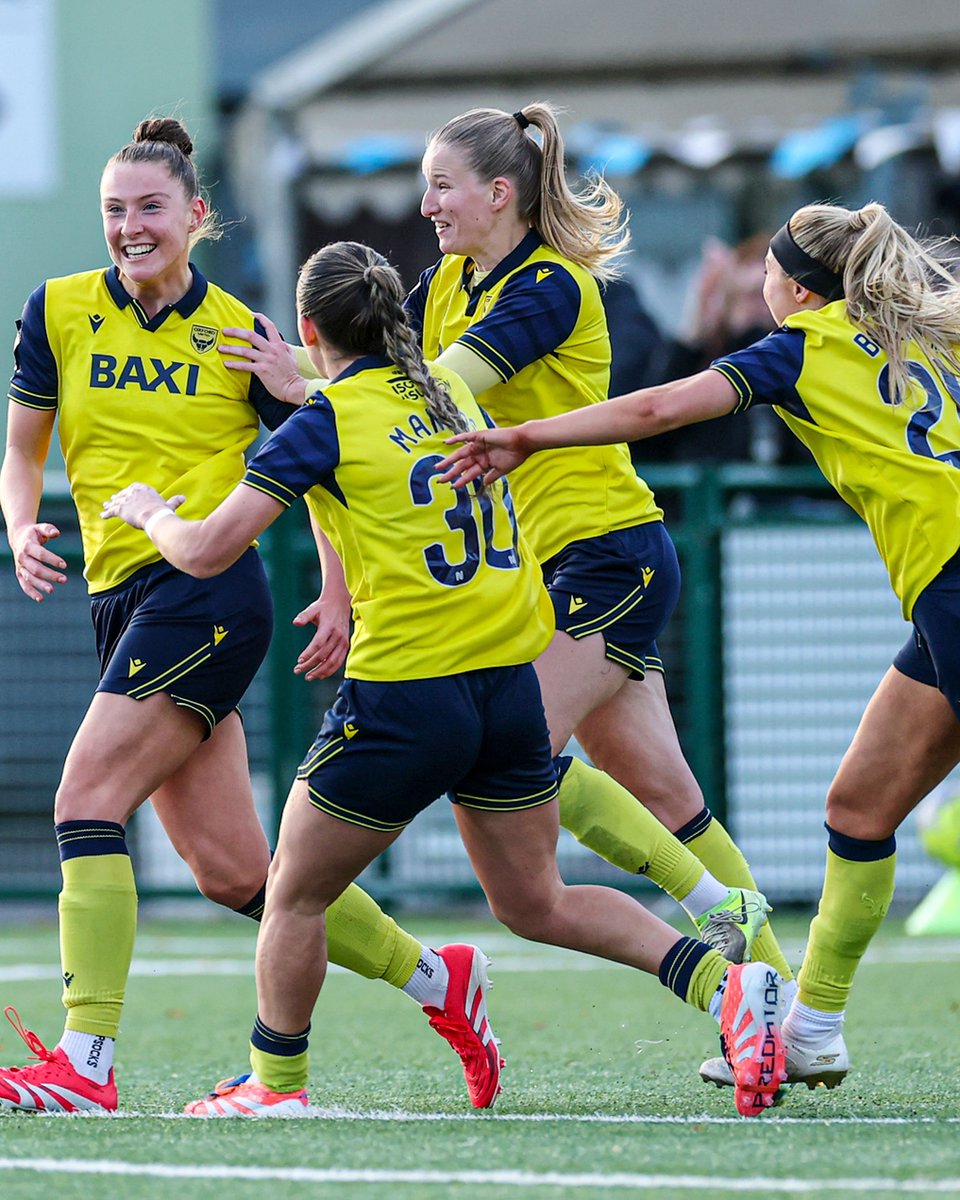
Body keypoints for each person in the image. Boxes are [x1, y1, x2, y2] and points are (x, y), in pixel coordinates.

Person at [101, 239, 788, 1119]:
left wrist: (150, 509)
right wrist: (338, 584)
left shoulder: (328, 418)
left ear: (309, 329)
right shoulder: (449, 391)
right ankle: (724, 989)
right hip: (504, 687)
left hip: (405, 696)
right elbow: (349, 493)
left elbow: (203, 551)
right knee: (539, 901)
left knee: (296, 893)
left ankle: (274, 1087)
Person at [0, 117, 511, 1115]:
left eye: (151, 208)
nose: (130, 228)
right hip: (124, 599)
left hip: (205, 592)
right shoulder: (55, 311)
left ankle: (85, 1064)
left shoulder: (242, 333)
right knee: (238, 874)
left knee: (84, 802)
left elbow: (318, 461)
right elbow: (23, 453)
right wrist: (20, 527)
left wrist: (337, 584)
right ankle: (437, 978)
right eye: (115, 210)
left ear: (197, 216)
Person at [437, 199, 960, 1092]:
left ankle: (740, 946)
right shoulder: (924, 349)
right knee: (859, 811)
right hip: (941, 604)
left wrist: (526, 433)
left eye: (765, 269)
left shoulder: (804, 346)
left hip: (950, 588)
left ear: (791, 289)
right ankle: (810, 1030)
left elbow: (659, 408)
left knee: (509, 743)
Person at [406, 102, 795, 989]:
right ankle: (784, 1003)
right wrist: (289, 370)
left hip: (605, 552)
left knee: (511, 752)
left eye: (440, 186)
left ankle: (719, 929)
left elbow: (432, 392)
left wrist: (316, 393)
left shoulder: (546, 284)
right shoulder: (444, 285)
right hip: (549, 566)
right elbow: (376, 383)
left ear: (498, 193)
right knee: (668, 796)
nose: (425, 205)